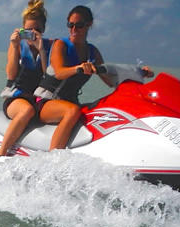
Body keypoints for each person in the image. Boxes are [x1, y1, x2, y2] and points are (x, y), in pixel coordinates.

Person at [33, 5, 154, 150]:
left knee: (102, 111)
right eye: (70, 25)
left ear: (89, 25)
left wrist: (140, 73)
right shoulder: (61, 45)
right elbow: (59, 72)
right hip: (46, 101)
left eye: (79, 25)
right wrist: (79, 68)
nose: (74, 30)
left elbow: (110, 80)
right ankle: (53, 157)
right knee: (73, 111)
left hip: (70, 101)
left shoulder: (93, 52)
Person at [0, 0, 50, 156]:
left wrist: (42, 51)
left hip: (39, 101)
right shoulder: (18, 46)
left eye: (37, 30)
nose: (32, 33)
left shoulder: (50, 47)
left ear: (44, 29)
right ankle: (1, 152)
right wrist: (13, 46)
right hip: (16, 99)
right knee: (26, 111)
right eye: (28, 30)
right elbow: (11, 75)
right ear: (21, 30)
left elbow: (48, 76)